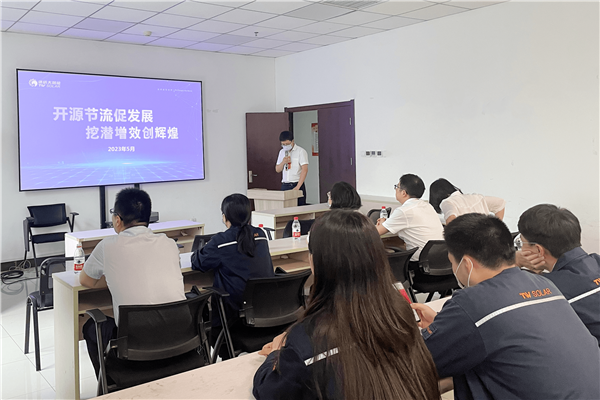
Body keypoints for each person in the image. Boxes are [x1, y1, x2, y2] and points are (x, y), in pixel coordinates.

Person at [253, 210, 440, 400]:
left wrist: (276, 355)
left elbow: (269, 392)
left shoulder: (308, 338)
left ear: (315, 261)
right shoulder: (400, 313)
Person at [412, 213, 600, 400]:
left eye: (453, 262)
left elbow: (415, 363)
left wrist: (435, 331)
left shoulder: (472, 302)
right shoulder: (544, 284)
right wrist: (447, 326)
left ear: (467, 263)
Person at [80, 188, 186, 377]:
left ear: (117, 220)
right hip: (179, 341)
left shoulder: (107, 246)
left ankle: (110, 385)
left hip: (134, 347)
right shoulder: (169, 243)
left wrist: (114, 275)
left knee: (90, 327)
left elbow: (86, 281)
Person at [516, 204, 600, 343]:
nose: (520, 248)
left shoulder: (549, 290)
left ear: (538, 250)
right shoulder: (597, 260)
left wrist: (514, 263)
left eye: (521, 243)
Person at [191, 193, 274, 322]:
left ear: (225, 217)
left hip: (234, 313)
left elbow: (197, 263)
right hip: (265, 310)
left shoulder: (221, 242)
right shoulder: (261, 235)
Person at [376, 174, 443, 261]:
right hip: (440, 259)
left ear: (404, 193)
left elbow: (376, 232)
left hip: (420, 262)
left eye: (397, 186)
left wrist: (382, 223)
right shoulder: (427, 206)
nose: (395, 189)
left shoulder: (404, 211)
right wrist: (385, 223)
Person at [429, 178, 505, 225]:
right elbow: (500, 204)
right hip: (487, 238)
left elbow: (451, 219)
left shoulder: (446, 202)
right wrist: (496, 227)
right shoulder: (476, 197)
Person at [275, 130, 309, 206]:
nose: (285, 146)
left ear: (292, 141)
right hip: (285, 185)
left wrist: (297, 187)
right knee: (284, 208)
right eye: (283, 144)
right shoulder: (281, 152)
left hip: (296, 184)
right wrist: (283, 162)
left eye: (287, 144)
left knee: (299, 208)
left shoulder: (301, 151)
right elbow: (277, 169)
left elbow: (305, 170)